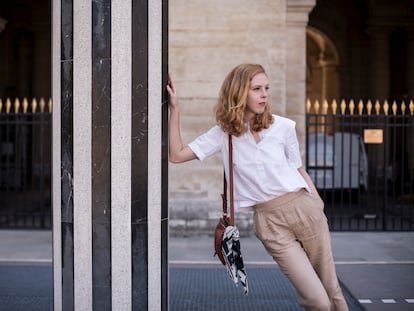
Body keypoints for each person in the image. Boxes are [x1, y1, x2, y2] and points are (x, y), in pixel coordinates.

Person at [166, 63, 349, 311]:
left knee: (333, 292)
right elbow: (176, 155)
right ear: (239, 92)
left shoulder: (283, 127)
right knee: (317, 300)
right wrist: (174, 108)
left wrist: (318, 203)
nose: (264, 94)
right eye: (256, 88)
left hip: (305, 210)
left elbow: (297, 168)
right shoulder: (223, 134)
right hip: (269, 222)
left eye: (266, 88)